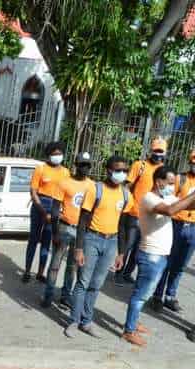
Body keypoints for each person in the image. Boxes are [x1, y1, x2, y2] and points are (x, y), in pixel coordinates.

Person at [121, 166, 195, 347]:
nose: (172, 186)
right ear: (158, 181)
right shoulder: (149, 198)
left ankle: (134, 322)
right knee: (140, 295)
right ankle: (128, 331)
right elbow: (170, 211)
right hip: (150, 255)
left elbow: (186, 205)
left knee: (143, 293)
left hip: (161, 255)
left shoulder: (166, 197)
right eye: (169, 183)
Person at [66, 155, 133, 338]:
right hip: (91, 239)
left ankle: (87, 322)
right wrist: (79, 248)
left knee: (96, 285)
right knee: (83, 282)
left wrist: (121, 254)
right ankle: (74, 320)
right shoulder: (95, 190)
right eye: (118, 170)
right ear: (108, 170)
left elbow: (124, 225)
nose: (122, 173)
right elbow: (83, 220)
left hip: (112, 242)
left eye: (125, 170)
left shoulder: (126, 195)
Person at [42, 151, 94, 308]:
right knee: (55, 264)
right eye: (81, 165)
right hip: (64, 227)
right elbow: (56, 208)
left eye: (87, 165)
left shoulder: (91, 185)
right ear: (76, 165)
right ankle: (48, 295)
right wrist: (55, 232)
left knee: (72, 266)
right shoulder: (64, 182)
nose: (84, 168)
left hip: (80, 231)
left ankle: (66, 295)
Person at [117, 137, 168, 286]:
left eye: (160, 151)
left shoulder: (163, 170)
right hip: (134, 213)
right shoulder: (140, 165)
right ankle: (119, 273)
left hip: (151, 216)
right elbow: (127, 185)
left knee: (140, 248)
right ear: (151, 150)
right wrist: (127, 205)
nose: (158, 154)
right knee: (128, 245)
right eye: (156, 150)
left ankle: (127, 273)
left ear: (164, 153)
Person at [153, 148, 195, 313]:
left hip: (193, 228)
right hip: (177, 225)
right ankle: (157, 296)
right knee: (168, 262)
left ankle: (170, 296)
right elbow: (169, 198)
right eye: (193, 162)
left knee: (181, 265)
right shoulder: (181, 178)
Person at [24, 141, 70, 283]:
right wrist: (43, 212)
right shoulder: (41, 169)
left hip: (56, 206)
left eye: (59, 154)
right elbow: (33, 192)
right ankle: (27, 271)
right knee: (33, 239)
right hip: (40, 206)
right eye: (54, 154)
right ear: (49, 155)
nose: (57, 156)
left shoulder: (65, 172)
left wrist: (59, 212)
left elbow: (67, 194)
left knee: (46, 241)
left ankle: (40, 272)